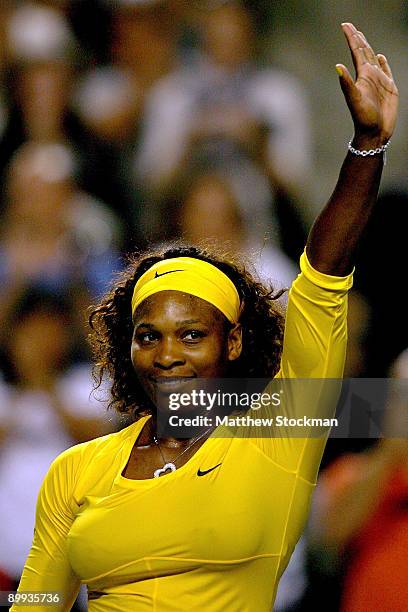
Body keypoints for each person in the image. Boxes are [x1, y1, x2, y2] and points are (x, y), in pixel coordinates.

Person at [11, 23, 398, 611]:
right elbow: (37, 604)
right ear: (127, 347)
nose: (167, 353)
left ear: (235, 341)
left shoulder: (277, 431)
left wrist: (366, 146)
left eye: (192, 335)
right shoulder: (78, 469)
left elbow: (323, 275)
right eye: (149, 336)